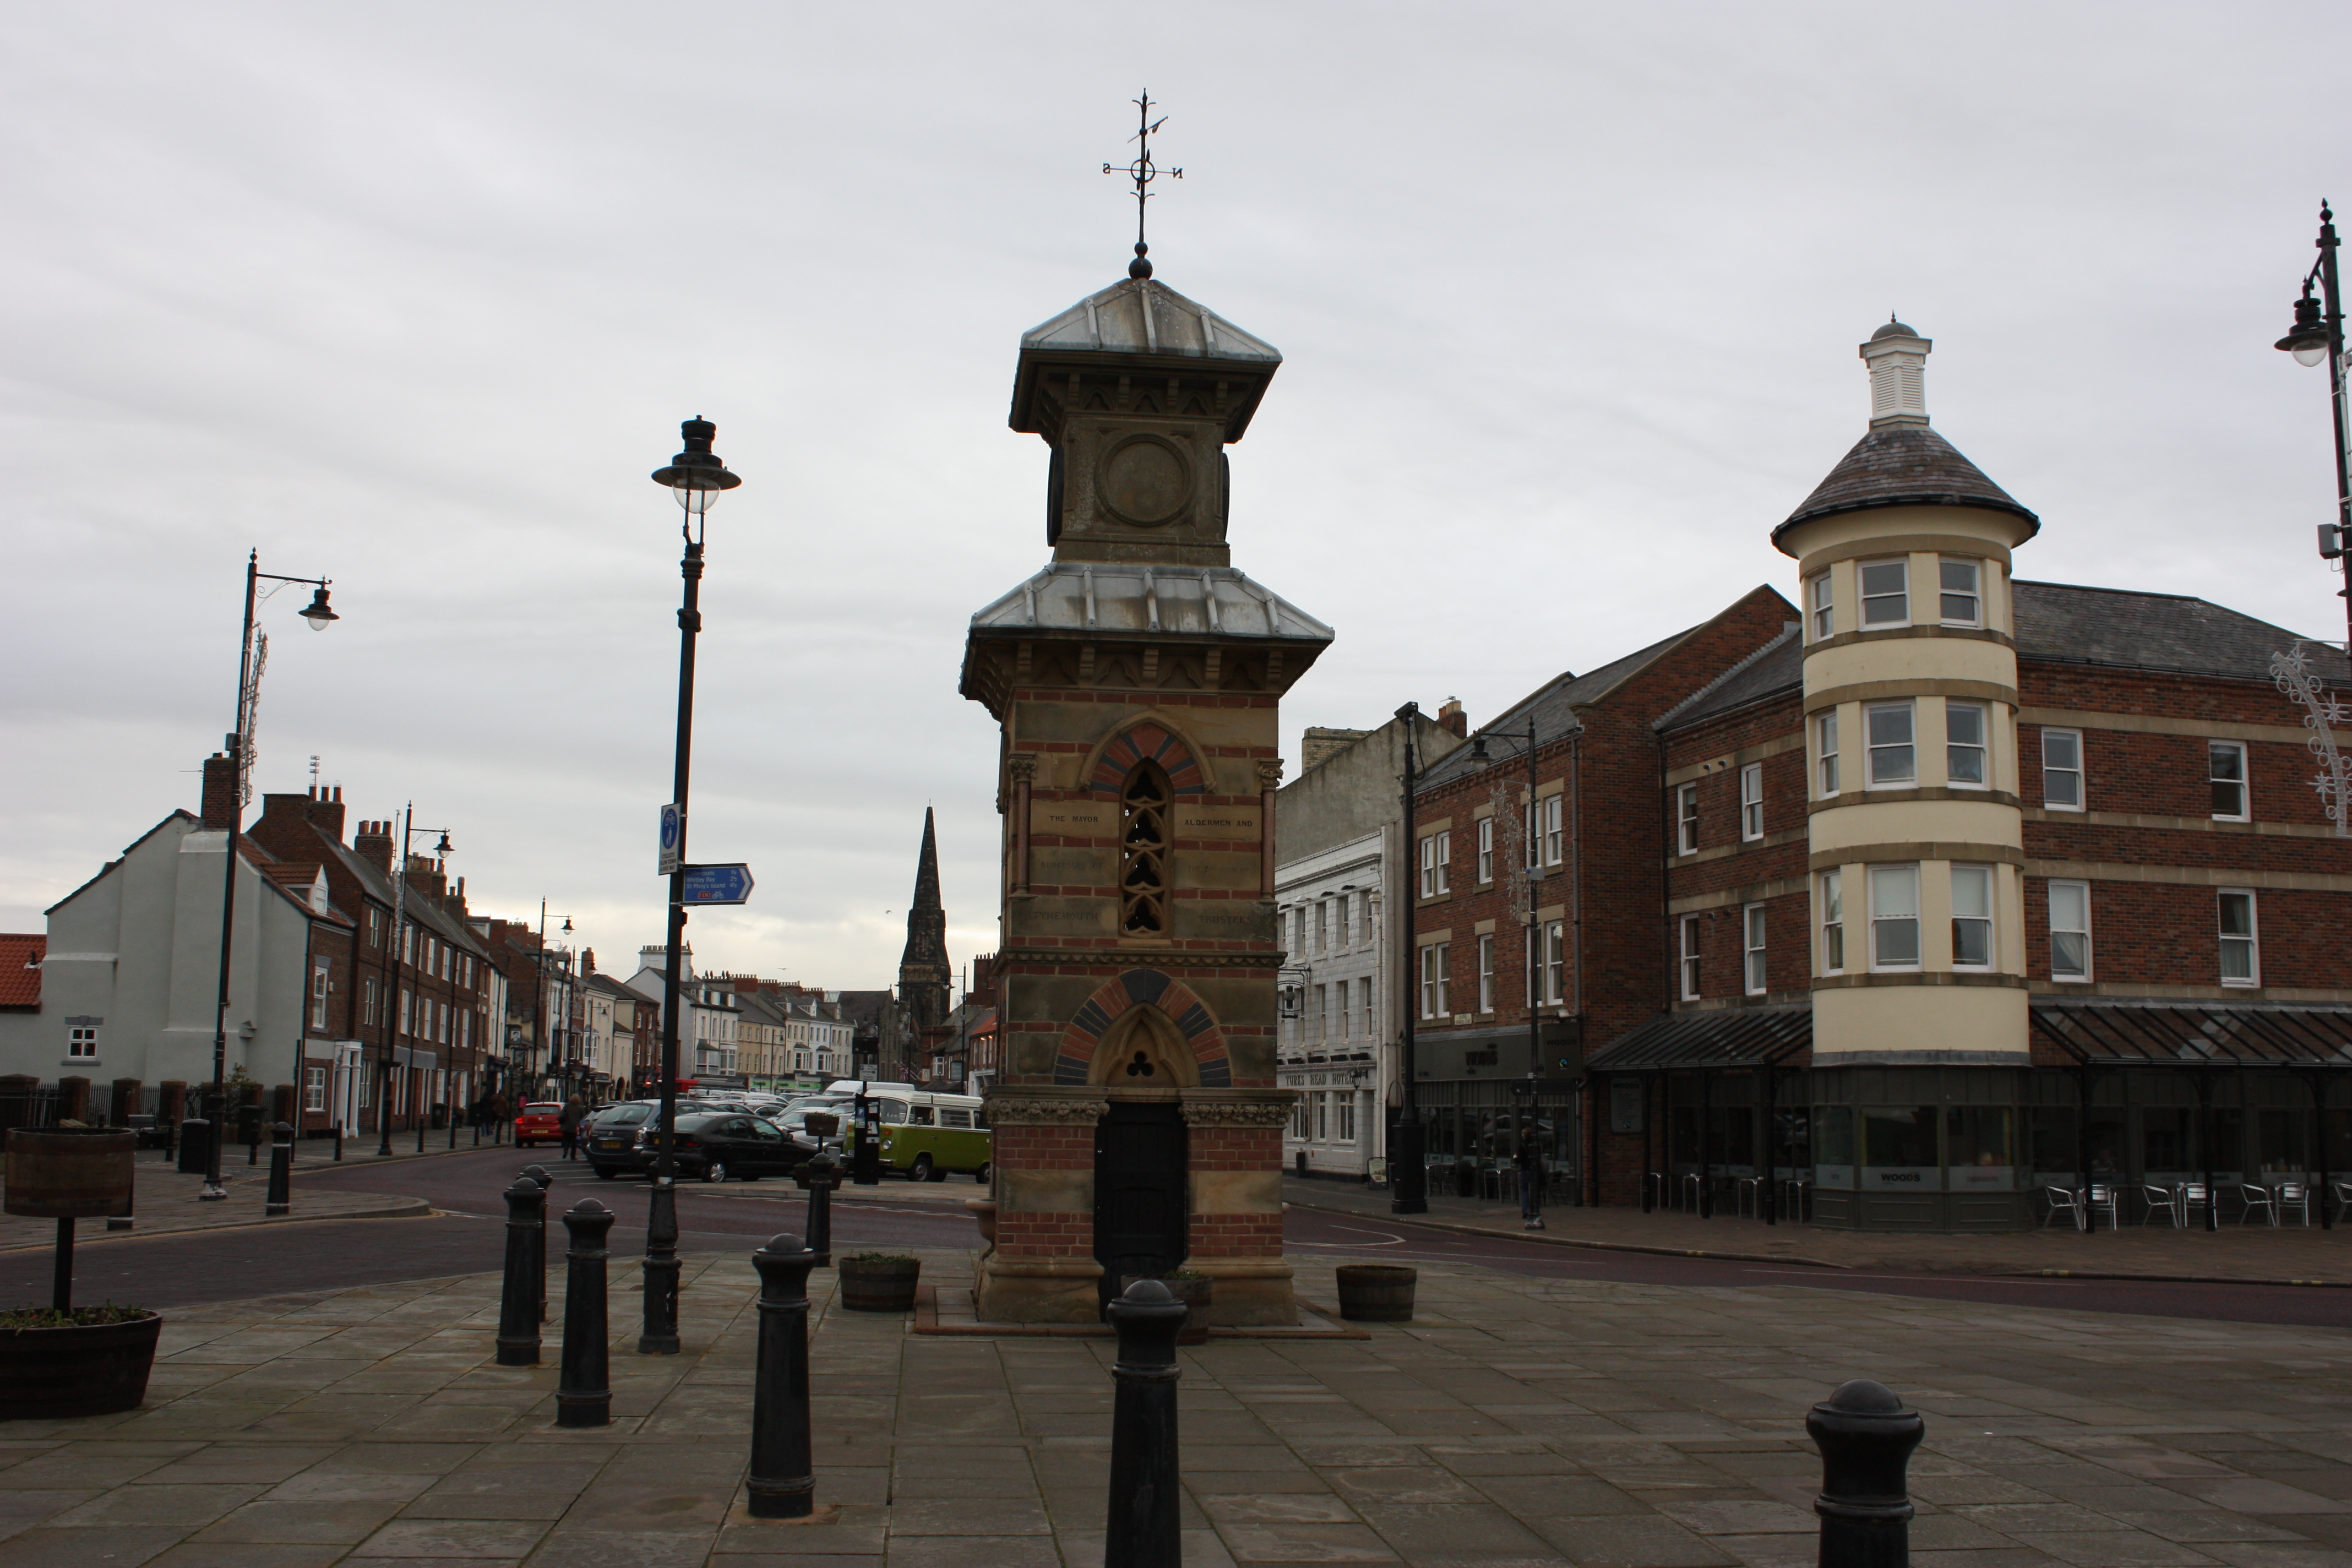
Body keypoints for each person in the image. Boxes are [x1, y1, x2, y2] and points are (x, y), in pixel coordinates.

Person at [1515, 1137, 1545, 1231]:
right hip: (1535, 1170)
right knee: (1534, 1189)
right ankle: (1534, 1209)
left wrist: (1516, 1158)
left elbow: (1518, 1160)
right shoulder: (1538, 1145)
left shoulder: (1523, 1146)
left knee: (1524, 1190)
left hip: (1525, 1170)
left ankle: (1526, 1210)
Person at [559, 1096, 584, 1161]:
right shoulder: (581, 1108)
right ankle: (573, 1156)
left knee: (566, 1141)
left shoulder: (567, 1106)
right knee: (574, 1143)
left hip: (566, 1126)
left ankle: (565, 1151)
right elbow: (583, 1118)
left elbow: (562, 1114)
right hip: (575, 1127)